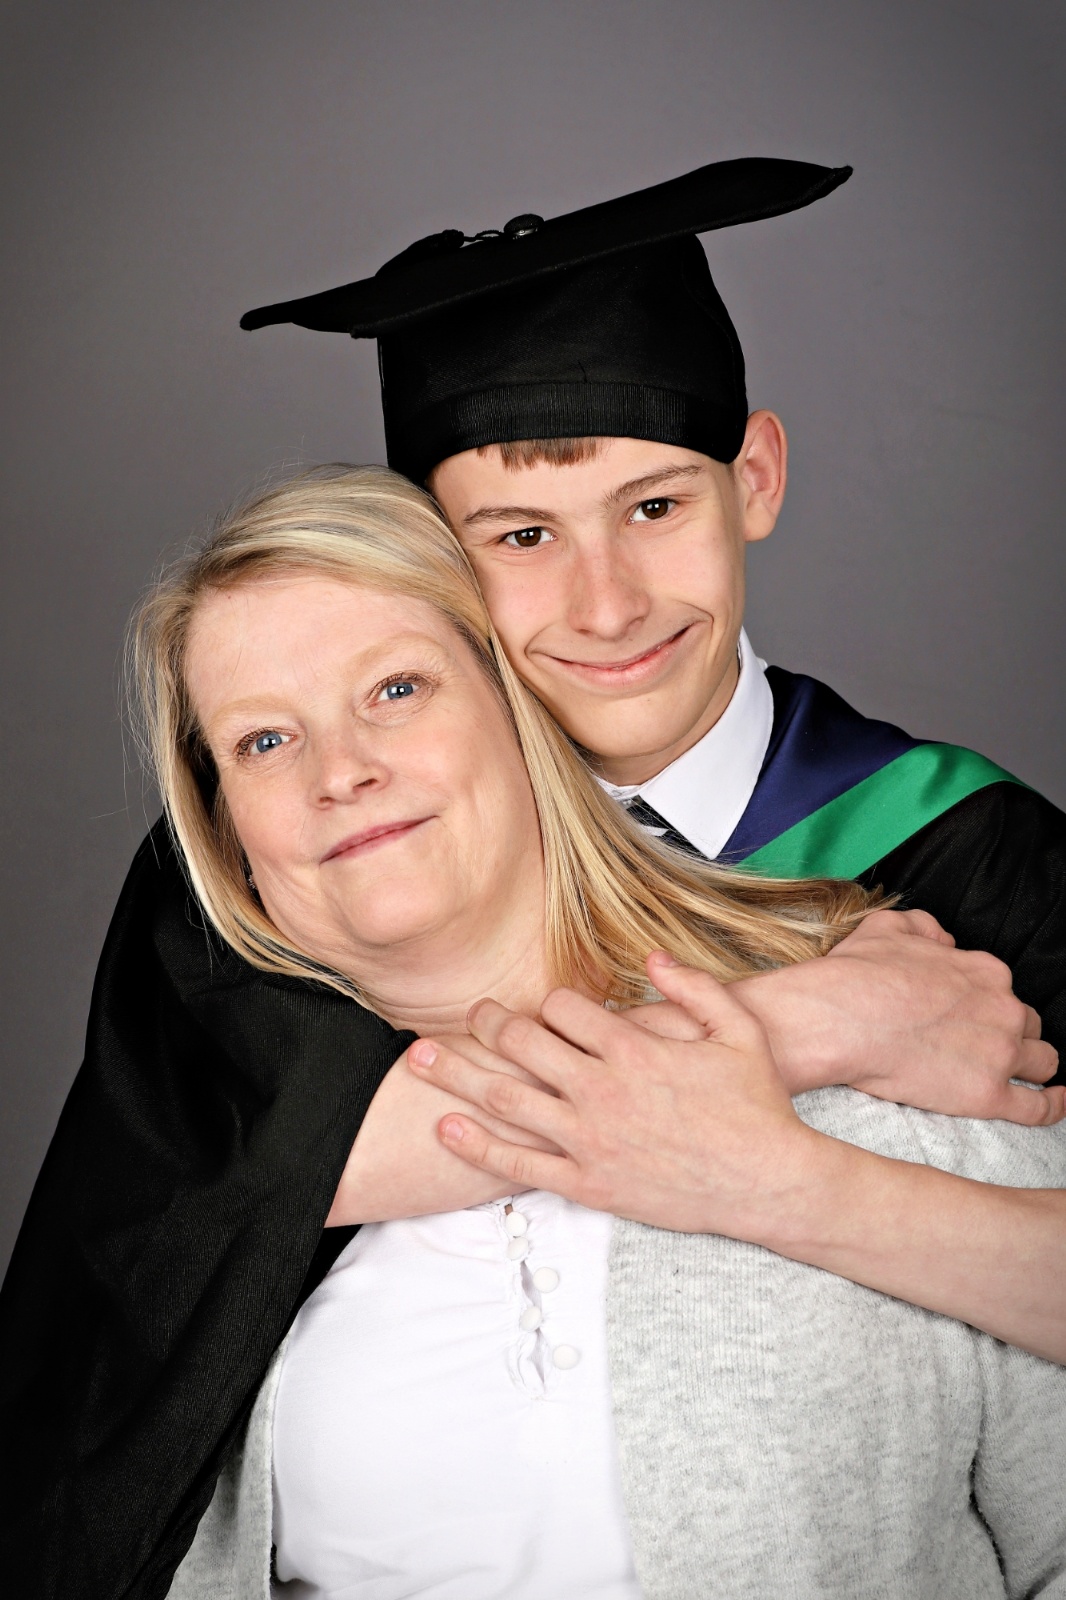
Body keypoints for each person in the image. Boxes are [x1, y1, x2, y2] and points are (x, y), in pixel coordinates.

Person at [1, 163, 1063, 1597]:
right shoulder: (282, 870)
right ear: (428, 562)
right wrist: (798, 1028)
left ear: (752, 480)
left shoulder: (959, 849)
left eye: (654, 506)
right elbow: (197, 1213)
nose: (605, 605)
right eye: (519, 537)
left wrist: (796, 1181)